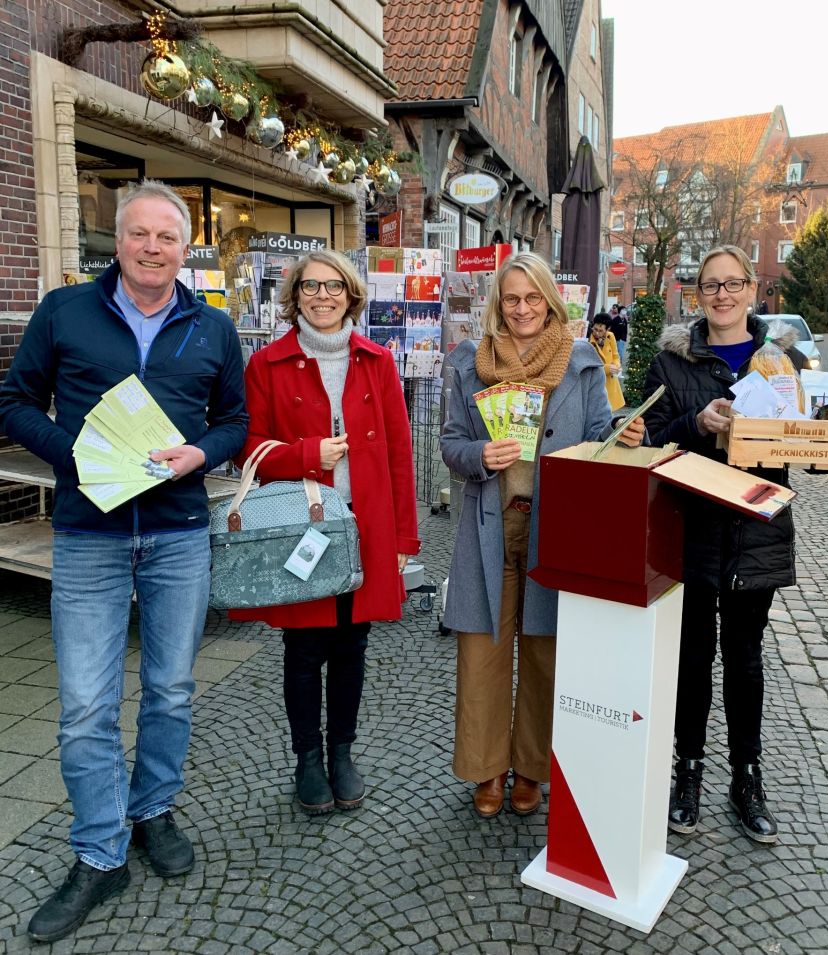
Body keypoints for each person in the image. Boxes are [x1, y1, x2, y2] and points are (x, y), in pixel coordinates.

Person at [0, 180, 248, 942]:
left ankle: (152, 811)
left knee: (171, 688)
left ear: (183, 247)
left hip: (176, 532)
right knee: (84, 706)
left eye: (165, 237)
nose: (150, 248)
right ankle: (99, 852)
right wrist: (73, 454)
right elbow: (12, 402)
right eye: (137, 234)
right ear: (118, 240)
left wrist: (199, 454)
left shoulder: (212, 327)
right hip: (90, 536)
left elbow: (235, 418)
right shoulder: (65, 311)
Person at [440, 252, 645, 818]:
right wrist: (479, 454)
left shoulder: (582, 362)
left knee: (546, 652)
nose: (523, 309)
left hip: (556, 526)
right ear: (498, 306)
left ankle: (531, 768)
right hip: (490, 521)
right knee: (481, 650)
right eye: (512, 299)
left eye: (533, 298)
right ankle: (486, 768)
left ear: (551, 301)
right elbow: (450, 443)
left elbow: (602, 432)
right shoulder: (470, 361)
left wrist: (624, 432)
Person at [228, 249, 420, 815]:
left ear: (351, 294)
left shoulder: (377, 361)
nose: (323, 296)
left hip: (363, 525)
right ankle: (307, 759)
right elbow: (248, 450)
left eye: (334, 287)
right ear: (295, 296)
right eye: (311, 287)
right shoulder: (266, 364)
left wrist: (405, 541)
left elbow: (400, 455)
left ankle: (342, 753)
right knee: (305, 647)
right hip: (300, 528)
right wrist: (310, 454)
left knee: (353, 644)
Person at [642, 244, 808, 845]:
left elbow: (811, 439)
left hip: (756, 533)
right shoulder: (672, 363)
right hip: (692, 529)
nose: (722, 294)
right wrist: (696, 424)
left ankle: (747, 777)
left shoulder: (785, 359)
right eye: (711, 285)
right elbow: (648, 438)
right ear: (699, 295)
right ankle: (687, 773)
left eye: (732, 283)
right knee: (691, 657)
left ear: (750, 290)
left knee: (744, 658)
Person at [589, 313, 625, 411]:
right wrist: (607, 368)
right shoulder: (588, 340)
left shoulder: (610, 336)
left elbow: (616, 356)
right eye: (595, 329)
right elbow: (590, 365)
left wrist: (616, 366)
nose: (597, 333)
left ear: (607, 329)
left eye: (601, 331)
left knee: (610, 414)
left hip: (610, 382)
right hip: (596, 383)